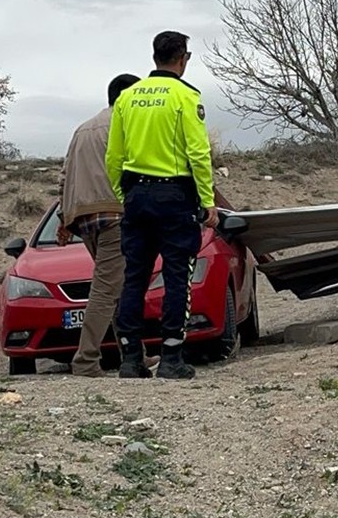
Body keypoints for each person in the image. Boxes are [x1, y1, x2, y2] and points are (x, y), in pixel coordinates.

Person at [106, 31, 219, 380]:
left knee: (134, 278)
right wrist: (208, 201)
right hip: (174, 196)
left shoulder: (127, 98)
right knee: (176, 277)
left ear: (154, 56)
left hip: (137, 195)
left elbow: (113, 157)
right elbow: (198, 153)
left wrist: (125, 196)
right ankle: (171, 357)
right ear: (182, 58)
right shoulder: (185, 96)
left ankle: (130, 358)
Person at [57, 73, 141, 377]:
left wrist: (64, 219)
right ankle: (86, 360)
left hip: (85, 219)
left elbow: (64, 177)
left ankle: (133, 355)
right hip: (115, 216)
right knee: (107, 290)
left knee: (117, 287)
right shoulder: (126, 125)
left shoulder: (83, 129)